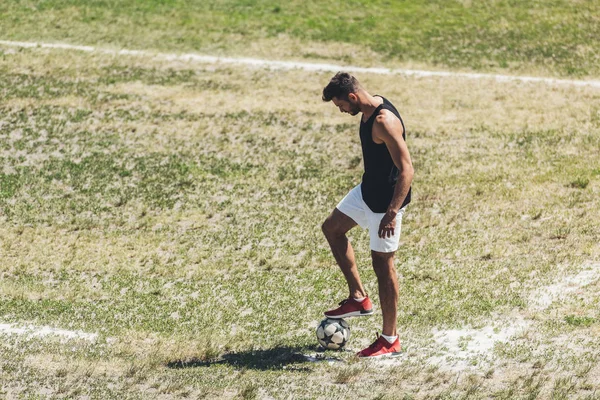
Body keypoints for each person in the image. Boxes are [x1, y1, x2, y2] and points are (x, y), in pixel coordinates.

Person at [321, 72, 414, 358]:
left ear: (352, 97)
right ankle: (359, 298)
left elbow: (407, 169)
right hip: (367, 191)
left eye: (341, 106)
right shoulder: (367, 110)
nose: (342, 111)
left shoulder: (384, 121)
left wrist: (391, 212)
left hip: (386, 202)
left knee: (383, 265)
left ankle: (390, 339)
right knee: (332, 229)